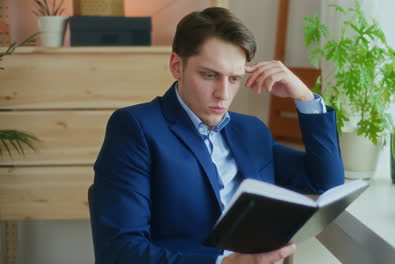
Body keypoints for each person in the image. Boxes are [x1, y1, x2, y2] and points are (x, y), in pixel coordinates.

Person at [90, 7, 344, 264]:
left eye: (234, 78)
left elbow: (325, 181)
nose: (223, 94)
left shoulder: (251, 131)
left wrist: (305, 98)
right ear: (177, 66)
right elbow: (118, 251)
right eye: (210, 75)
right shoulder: (136, 128)